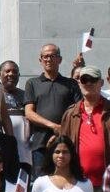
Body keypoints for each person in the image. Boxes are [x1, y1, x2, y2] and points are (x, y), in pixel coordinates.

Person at [59, 66, 110, 192]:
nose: (88, 83)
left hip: (108, 181)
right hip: (79, 182)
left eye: (93, 80)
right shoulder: (71, 113)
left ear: (101, 82)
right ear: (79, 83)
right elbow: (62, 146)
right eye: (84, 80)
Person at [24, 44, 81, 176]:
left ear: (60, 59)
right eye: (45, 56)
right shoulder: (32, 83)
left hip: (65, 143)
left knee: (65, 180)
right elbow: (29, 113)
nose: (48, 59)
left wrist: (60, 133)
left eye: (52, 56)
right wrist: (53, 126)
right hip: (40, 145)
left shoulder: (71, 84)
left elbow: (77, 113)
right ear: (40, 60)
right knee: (41, 183)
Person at [0, 60, 32, 171]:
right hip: (1, 155)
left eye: (14, 71)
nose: (11, 74)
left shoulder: (27, 95)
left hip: (25, 155)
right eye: (7, 71)